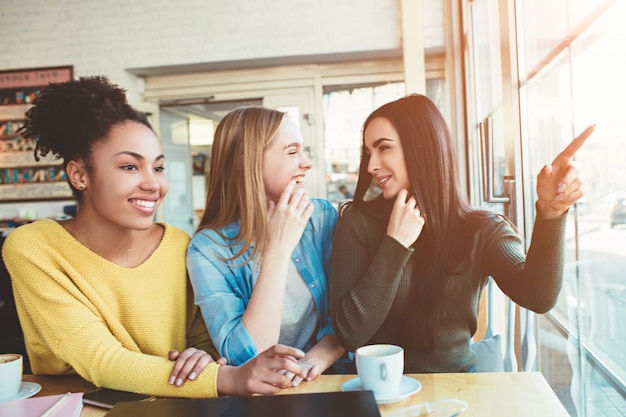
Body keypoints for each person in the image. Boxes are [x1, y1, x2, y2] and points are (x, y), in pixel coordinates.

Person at [2, 76, 307, 398]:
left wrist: (202, 358)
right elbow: (99, 360)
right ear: (79, 175)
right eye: (130, 167)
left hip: (170, 402)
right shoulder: (34, 246)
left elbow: (203, 343)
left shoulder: (178, 245)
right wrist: (225, 379)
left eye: (158, 168)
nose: (153, 184)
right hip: (73, 405)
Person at [329, 94, 594, 373]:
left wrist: (550, 214)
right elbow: (350, 334)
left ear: (422, 149)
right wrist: (395, 244)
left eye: (384, 148)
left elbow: (538, 298)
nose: (371, 165)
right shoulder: (357, 223)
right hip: (381, 392)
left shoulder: (482, 230)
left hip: (458, 392)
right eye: (369, 152)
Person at [187, 106, 346, 387]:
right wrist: (278, 249)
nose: (306, 162)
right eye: (292, 151)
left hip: (329, 378)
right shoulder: (207, 249)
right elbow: (246, 355)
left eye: (303, 150)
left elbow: (347, 315)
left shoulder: (321, 217)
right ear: (246, 161)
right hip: (260, 395)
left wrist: (312, 362)